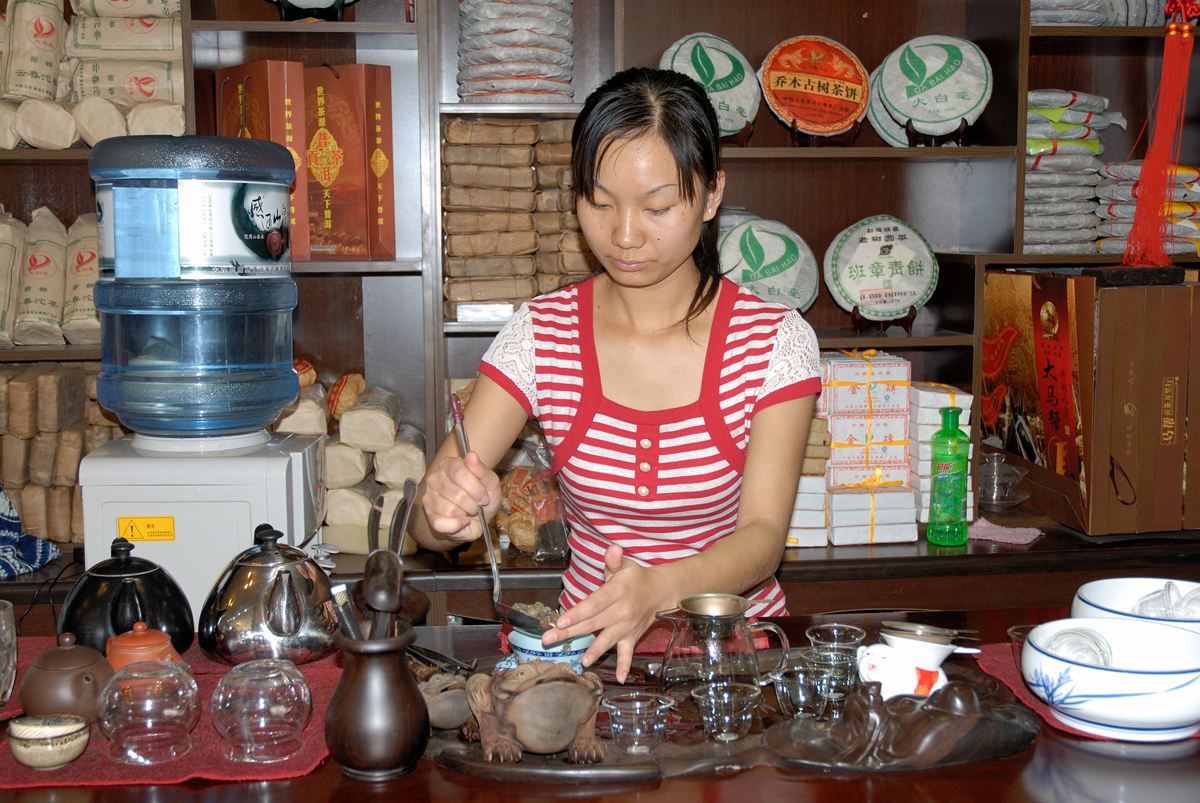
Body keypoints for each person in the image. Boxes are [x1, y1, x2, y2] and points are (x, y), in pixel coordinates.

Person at [413, 67, 820, 682]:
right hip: (587, 663)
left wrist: (658, 589)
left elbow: (763, 536)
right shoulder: (541, 335)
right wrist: (443, 512)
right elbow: (429, 516)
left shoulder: (773, 341)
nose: (624, 235)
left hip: (733, 662)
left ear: (711, 196)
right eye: (599, 203)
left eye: (657, 207)